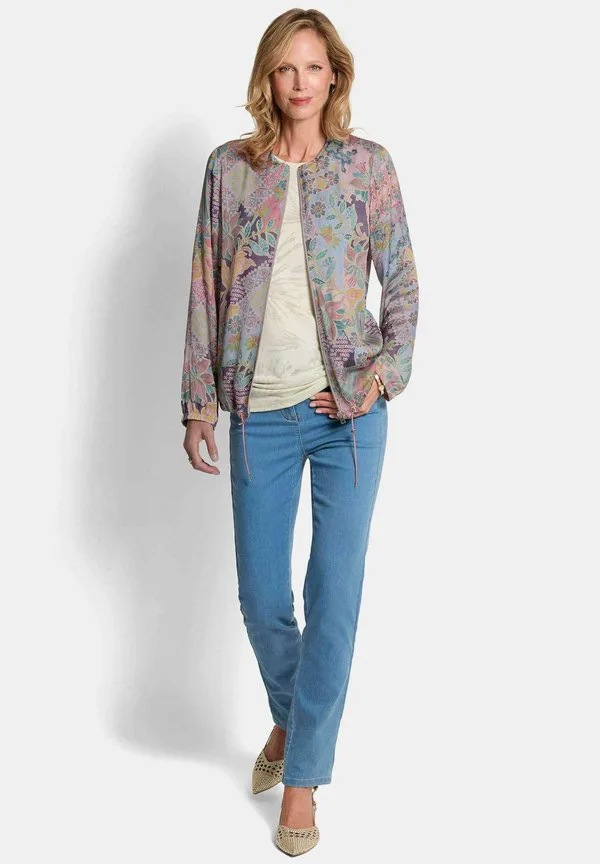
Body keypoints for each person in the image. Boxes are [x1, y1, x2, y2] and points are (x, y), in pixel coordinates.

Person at [180, 9, 419, 856]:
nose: (301, 82)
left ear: (334, 76)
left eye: (315, 67)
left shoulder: (367, 167)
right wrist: (197, 402)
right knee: (261, 597)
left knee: (334, 598)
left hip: (348, 415)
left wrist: (383, 375)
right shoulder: (230, 170)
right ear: (268, 79)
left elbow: (402, 280)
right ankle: (292, 717)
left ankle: (304, 779)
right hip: (261, 412)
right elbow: (205, 286)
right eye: (287, 68)